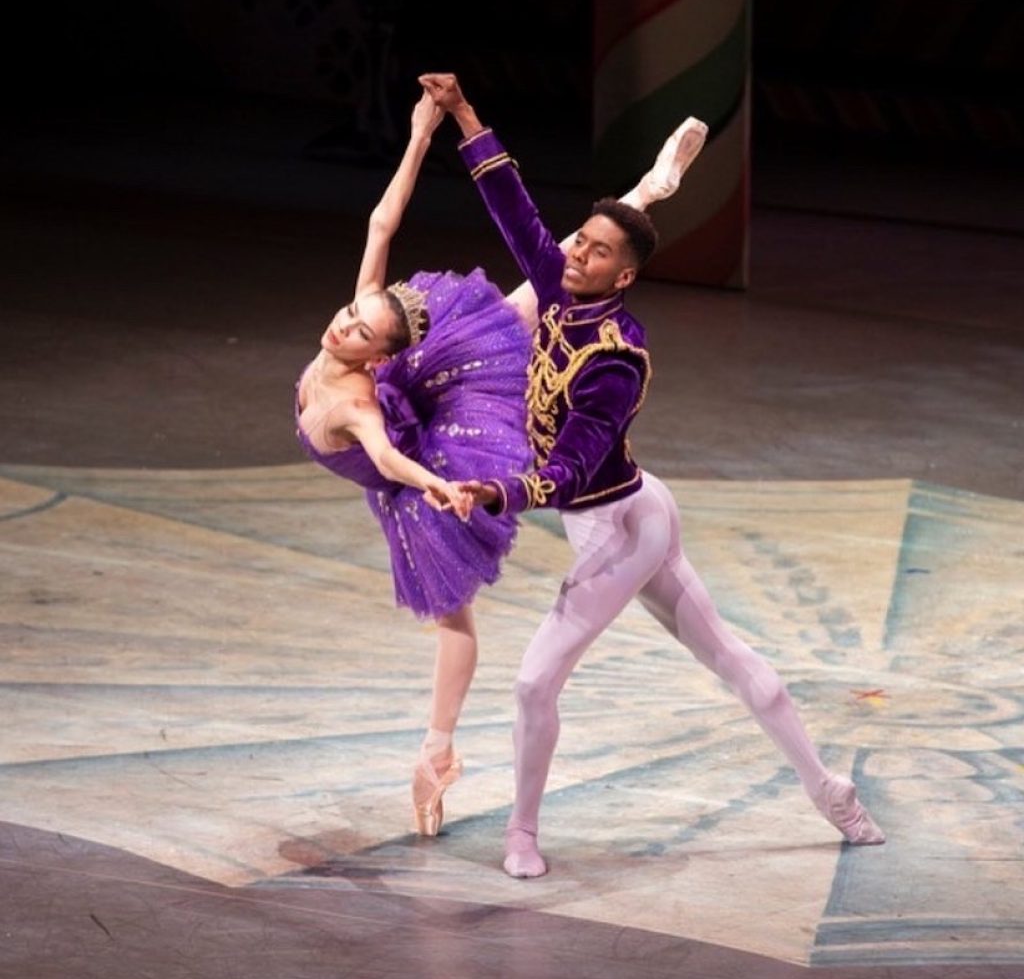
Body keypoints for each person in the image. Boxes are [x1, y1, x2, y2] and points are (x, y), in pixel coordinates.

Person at [419, 72, 886, 878]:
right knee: (730, 658)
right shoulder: (563, 290)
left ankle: (521, 835)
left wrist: (502, 491)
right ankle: (830, 789)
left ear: (623, 275)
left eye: (596, 250)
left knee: (534, 684)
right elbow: (514, 209)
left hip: (622, 525)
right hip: (635, 511)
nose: (574, 252)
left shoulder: (616, 360)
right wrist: (465, 115)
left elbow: (568, 472)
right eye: (578, 241)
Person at [295, 87, 704, 838]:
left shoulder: (358, 399)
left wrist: (448, 487)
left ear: (382, 355)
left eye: (356, 325)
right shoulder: (358, 342)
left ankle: (436, 753)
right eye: (350, 315)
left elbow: (388, 456)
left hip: (435, 448)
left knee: (533, 299)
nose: (340, 323)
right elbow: (381, 222)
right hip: (419, 407)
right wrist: (420, 132)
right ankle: (648, 190)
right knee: (527, 304)